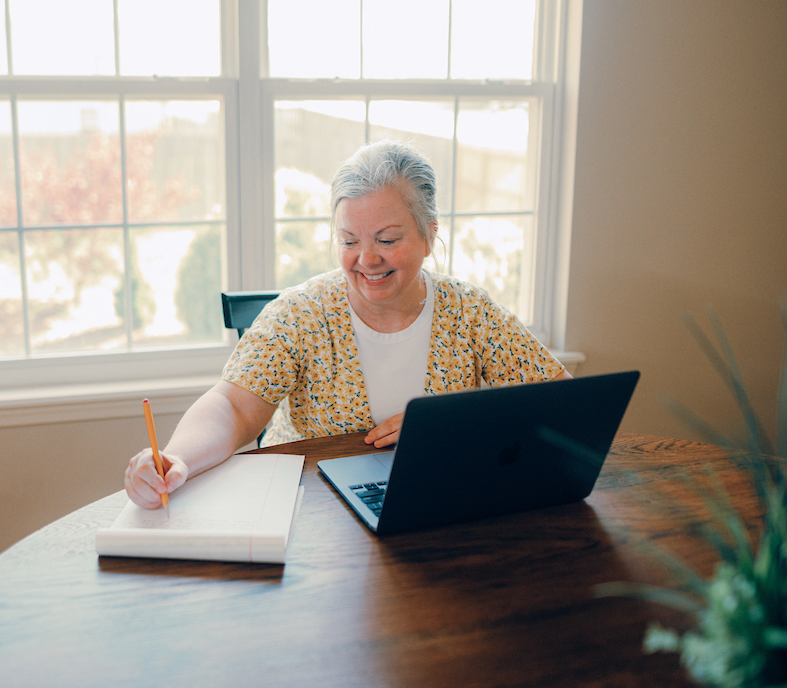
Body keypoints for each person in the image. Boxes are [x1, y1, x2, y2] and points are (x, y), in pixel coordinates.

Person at [124, 140, 572, 509]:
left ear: (430, 235)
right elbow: (235, 406)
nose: (367, 259)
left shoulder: (470, 312)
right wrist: (176, 457)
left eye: (388, 239)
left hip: (441, 507)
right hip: (312, 514)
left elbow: (565, 403)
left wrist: (458, 428)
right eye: (349, 241)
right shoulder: (301, 314)